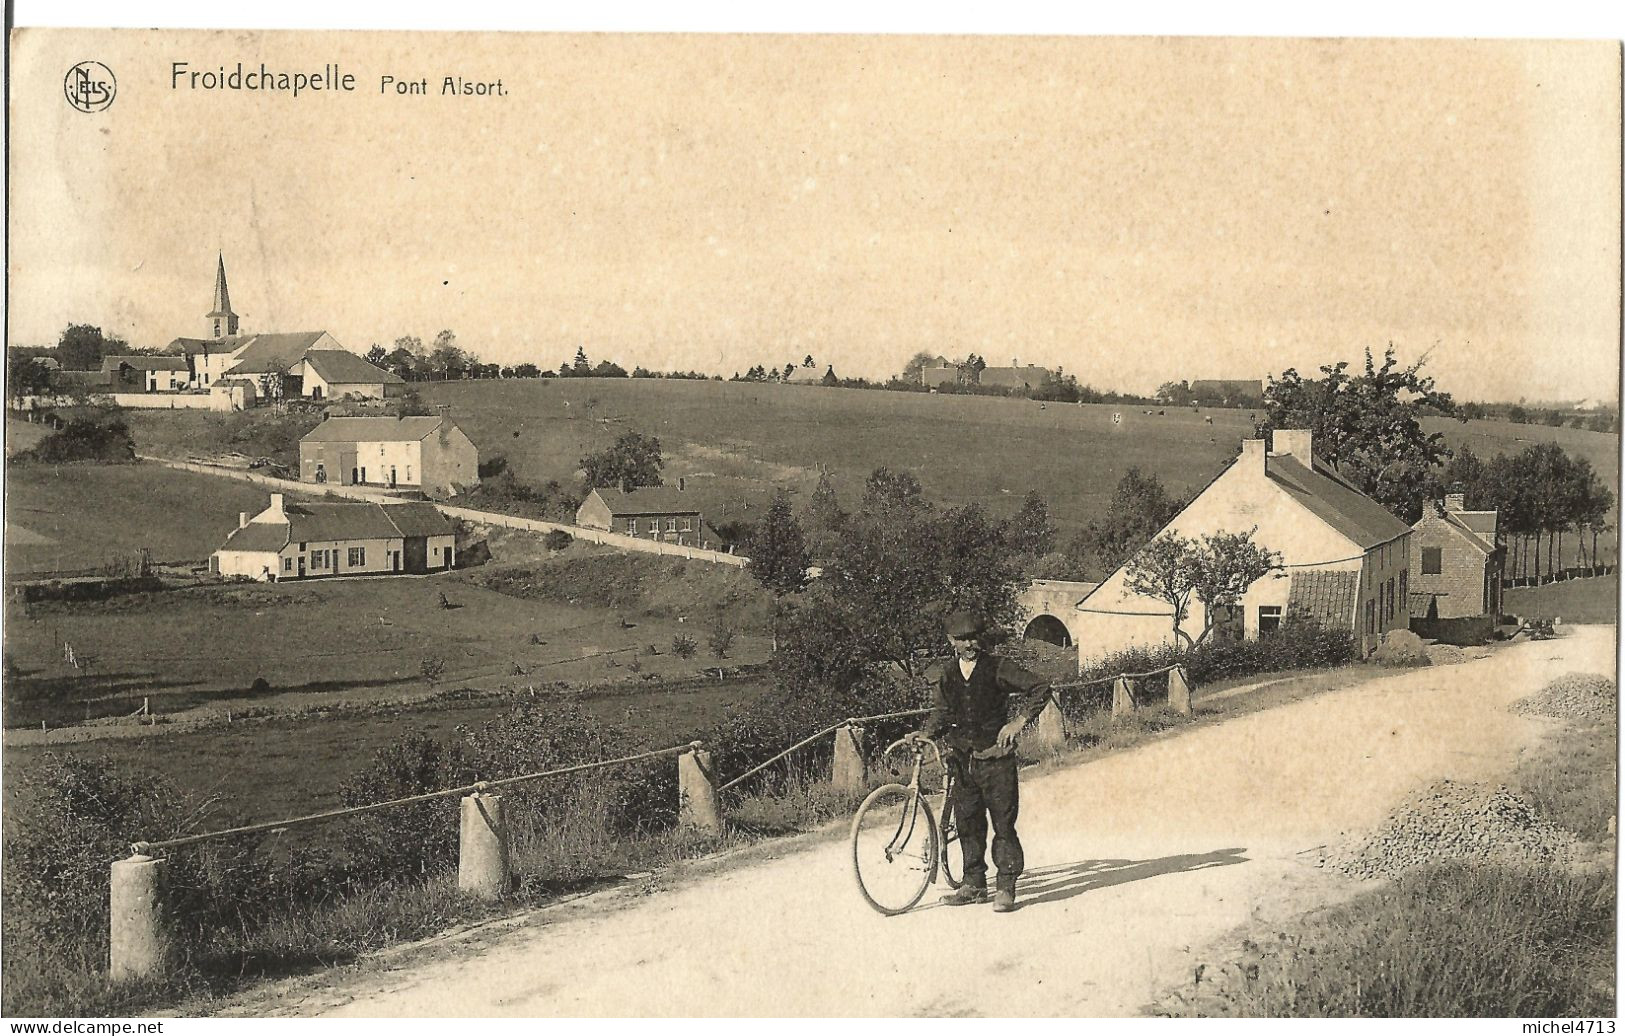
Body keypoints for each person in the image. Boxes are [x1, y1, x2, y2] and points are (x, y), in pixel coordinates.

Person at [915, 610, 1050, 912]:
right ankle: (973, 885)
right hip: (962, 761)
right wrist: (926, 734)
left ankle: (1005, 888)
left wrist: (1018, 722)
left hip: (996, 760)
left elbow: (1041, 687)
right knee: (968, 823)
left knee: (1003, 825)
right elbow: (942, 712)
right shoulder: (947, 674)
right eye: (962, 639)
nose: (969, 644)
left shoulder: (999, 667)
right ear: (951, 640)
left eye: (974, 637)